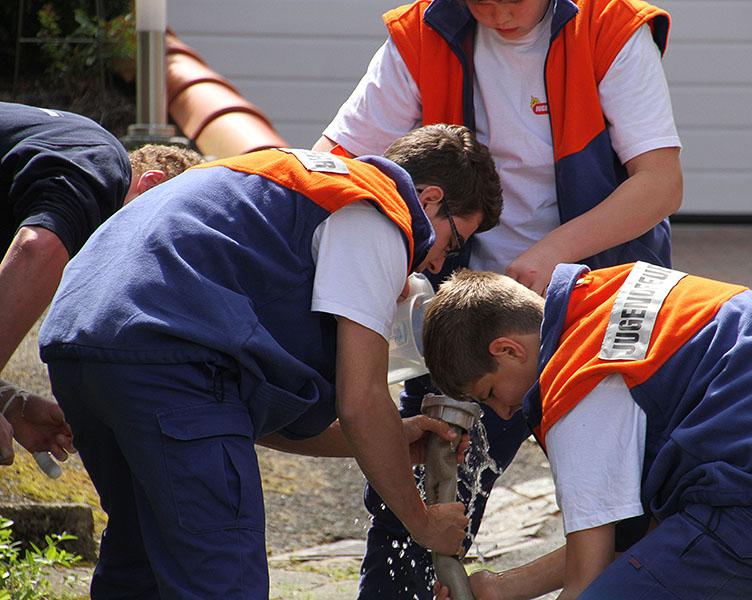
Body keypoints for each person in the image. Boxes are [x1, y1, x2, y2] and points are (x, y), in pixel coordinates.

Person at [37, 123, 503, 598]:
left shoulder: (287, 186)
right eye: (452, 241)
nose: (435, 262)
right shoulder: (378, 208)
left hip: (80, 337)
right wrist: (422, 522)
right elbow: (361, 400)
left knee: (140, 567)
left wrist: (391, 438)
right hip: (165, 352)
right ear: (428, 199)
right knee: (221, 581)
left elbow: (240, 417)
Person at [313, 0, 683, 594]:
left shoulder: (610, 27)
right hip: (464, 315)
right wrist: (398, 261)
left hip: (602, 316)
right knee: (413, 508)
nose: (501, 14)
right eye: (481, 1)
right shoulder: (421, 34)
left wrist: (549, 255)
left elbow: (661, 184)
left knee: (631, 514)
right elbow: (336, 166)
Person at [424, 265, 752, 599]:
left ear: (507, 350)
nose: (503, 412)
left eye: (489, 392)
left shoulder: (579, 383)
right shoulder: (613, 296)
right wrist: (502, 589)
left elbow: (587, 580)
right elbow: (635, 541)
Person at [0, 101, 202, 471]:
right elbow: (35, 249)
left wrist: (8, 401)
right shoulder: (101, 167)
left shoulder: (67, 167)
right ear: (152, 184)